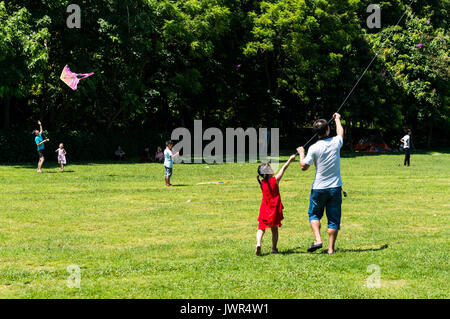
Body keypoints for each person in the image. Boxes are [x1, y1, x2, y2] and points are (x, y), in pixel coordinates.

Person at [297, 113, 344, 255]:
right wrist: (337, 119)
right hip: (335, 187)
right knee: (334, 219)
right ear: (328, 129)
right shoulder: (336, 142)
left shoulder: (314, 148)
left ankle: (318, 240)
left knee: (314, 214)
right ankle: (330, 249)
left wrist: (301, 153)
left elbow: (303, 167)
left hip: (318, 188)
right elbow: (340, 132)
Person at [255, 155, 296, 256]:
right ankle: (274, 248)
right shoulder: (275, 180)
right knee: (274, 229)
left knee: (261, 228)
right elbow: (284, 168)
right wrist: (290, 159)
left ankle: (258, 244)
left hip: (264, 208)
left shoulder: (262, 183)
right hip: (274, 209)